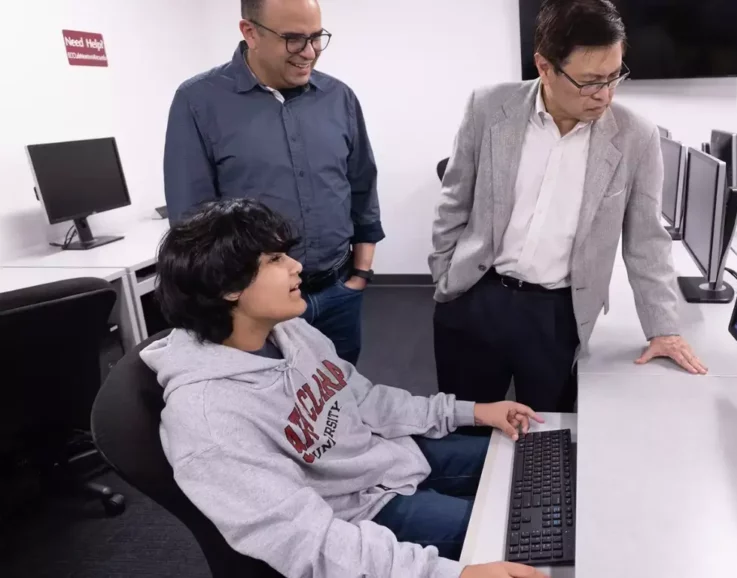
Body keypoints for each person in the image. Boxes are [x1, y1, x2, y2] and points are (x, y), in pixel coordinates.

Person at [146, 198, 547, 578]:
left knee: (535, 459)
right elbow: (306, 540)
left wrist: (471, 412)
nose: (296, 266)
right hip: (357, 519)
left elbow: (364, 399)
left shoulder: (288, 330)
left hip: (382, 459)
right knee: (519, 540)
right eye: (275, 260)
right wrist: (453, 573)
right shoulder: (208, 420)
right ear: (227, 287)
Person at [429, 0, 707, 414]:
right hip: (476, 295)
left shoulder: (636, 136)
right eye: (590, 82)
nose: (605, 95)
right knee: (464, 423)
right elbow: (454, 200)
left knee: (550, 433)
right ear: (544, 66)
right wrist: (445, 277)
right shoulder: (487, 107)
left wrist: (663, 328)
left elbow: (647, 241)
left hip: (558, 314)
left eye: (615, 77)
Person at [163, 0, 381, 364]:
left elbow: (362, 186)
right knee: (270, 398)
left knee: (342, 389)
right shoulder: (198, 101)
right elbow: (192, 225)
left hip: (337, 291)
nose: (309, 52)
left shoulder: (339, 97)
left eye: (316, 37)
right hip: (256, 311)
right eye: (293, 39)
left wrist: (360, 274)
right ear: (250, 32)